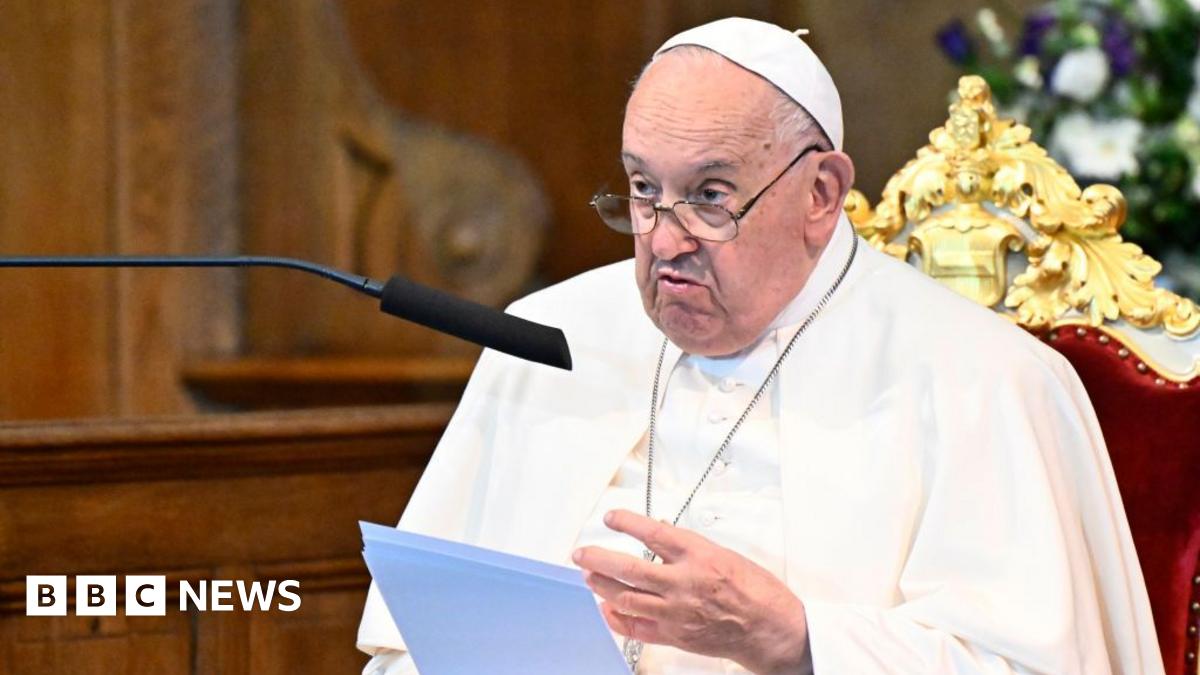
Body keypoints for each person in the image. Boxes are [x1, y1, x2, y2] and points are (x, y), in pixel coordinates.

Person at [357, 17, 1164, 675]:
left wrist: (795, 637)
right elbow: (411, 647)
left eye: (710, 197)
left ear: (821, 193)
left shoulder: (986, 382)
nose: (663, 240)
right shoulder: (550, 337)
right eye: (643, 189)